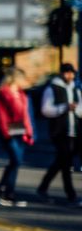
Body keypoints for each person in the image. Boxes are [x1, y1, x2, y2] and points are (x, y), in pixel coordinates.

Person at [37, 63, 82, 207]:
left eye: (72, 73)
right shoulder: (52, 88)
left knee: (61, 161)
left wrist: (75, 109)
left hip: (74, 130)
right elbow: (45, 110)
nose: (70, 76)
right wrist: (64, 107)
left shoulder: (76, 89)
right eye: (67, 73)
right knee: (66, 161)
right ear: (61, 74)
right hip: (59, 131)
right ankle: (71, 195)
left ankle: (42, 188)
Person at [0, 68, 34, 207]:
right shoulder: (3, 92)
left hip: (20, 130)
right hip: (8, 130)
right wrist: (5, 132)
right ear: (15, 78)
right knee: (15, 160)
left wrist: (29, 132)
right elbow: (1, 114)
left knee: (15, 162)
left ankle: (8, 192)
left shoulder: (22, 94)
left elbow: (26, 116)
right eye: (21, 78)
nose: (24, 81)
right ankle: (2, 188)